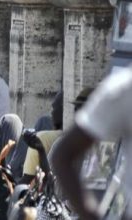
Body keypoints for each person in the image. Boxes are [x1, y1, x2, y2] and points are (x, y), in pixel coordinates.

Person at [52, 68, 132, 220]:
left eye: (80, 108)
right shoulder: (124, 90)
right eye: (76, 108)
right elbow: (63, 158)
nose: (77, 114)